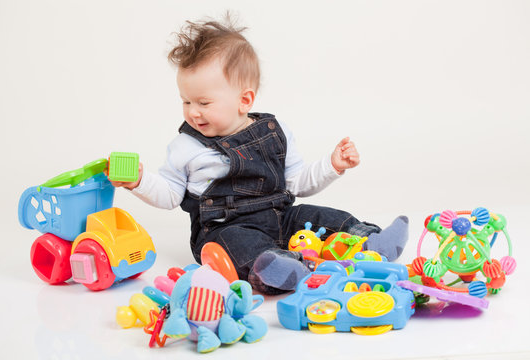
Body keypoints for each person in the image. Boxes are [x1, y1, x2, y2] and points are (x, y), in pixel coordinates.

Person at [110, 15, 408, 294]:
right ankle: (280, 269)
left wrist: (332, 166)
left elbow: (297, 184)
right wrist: (139, 181)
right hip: (226, 228)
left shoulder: (274, 132)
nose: (192, 112)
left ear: (245, 100)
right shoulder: (186, 147)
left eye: (203, 102)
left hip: (281, 217)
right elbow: (170, 194)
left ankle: (370, 241)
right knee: (239, 244)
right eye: (185, 101)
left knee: (319, 216)